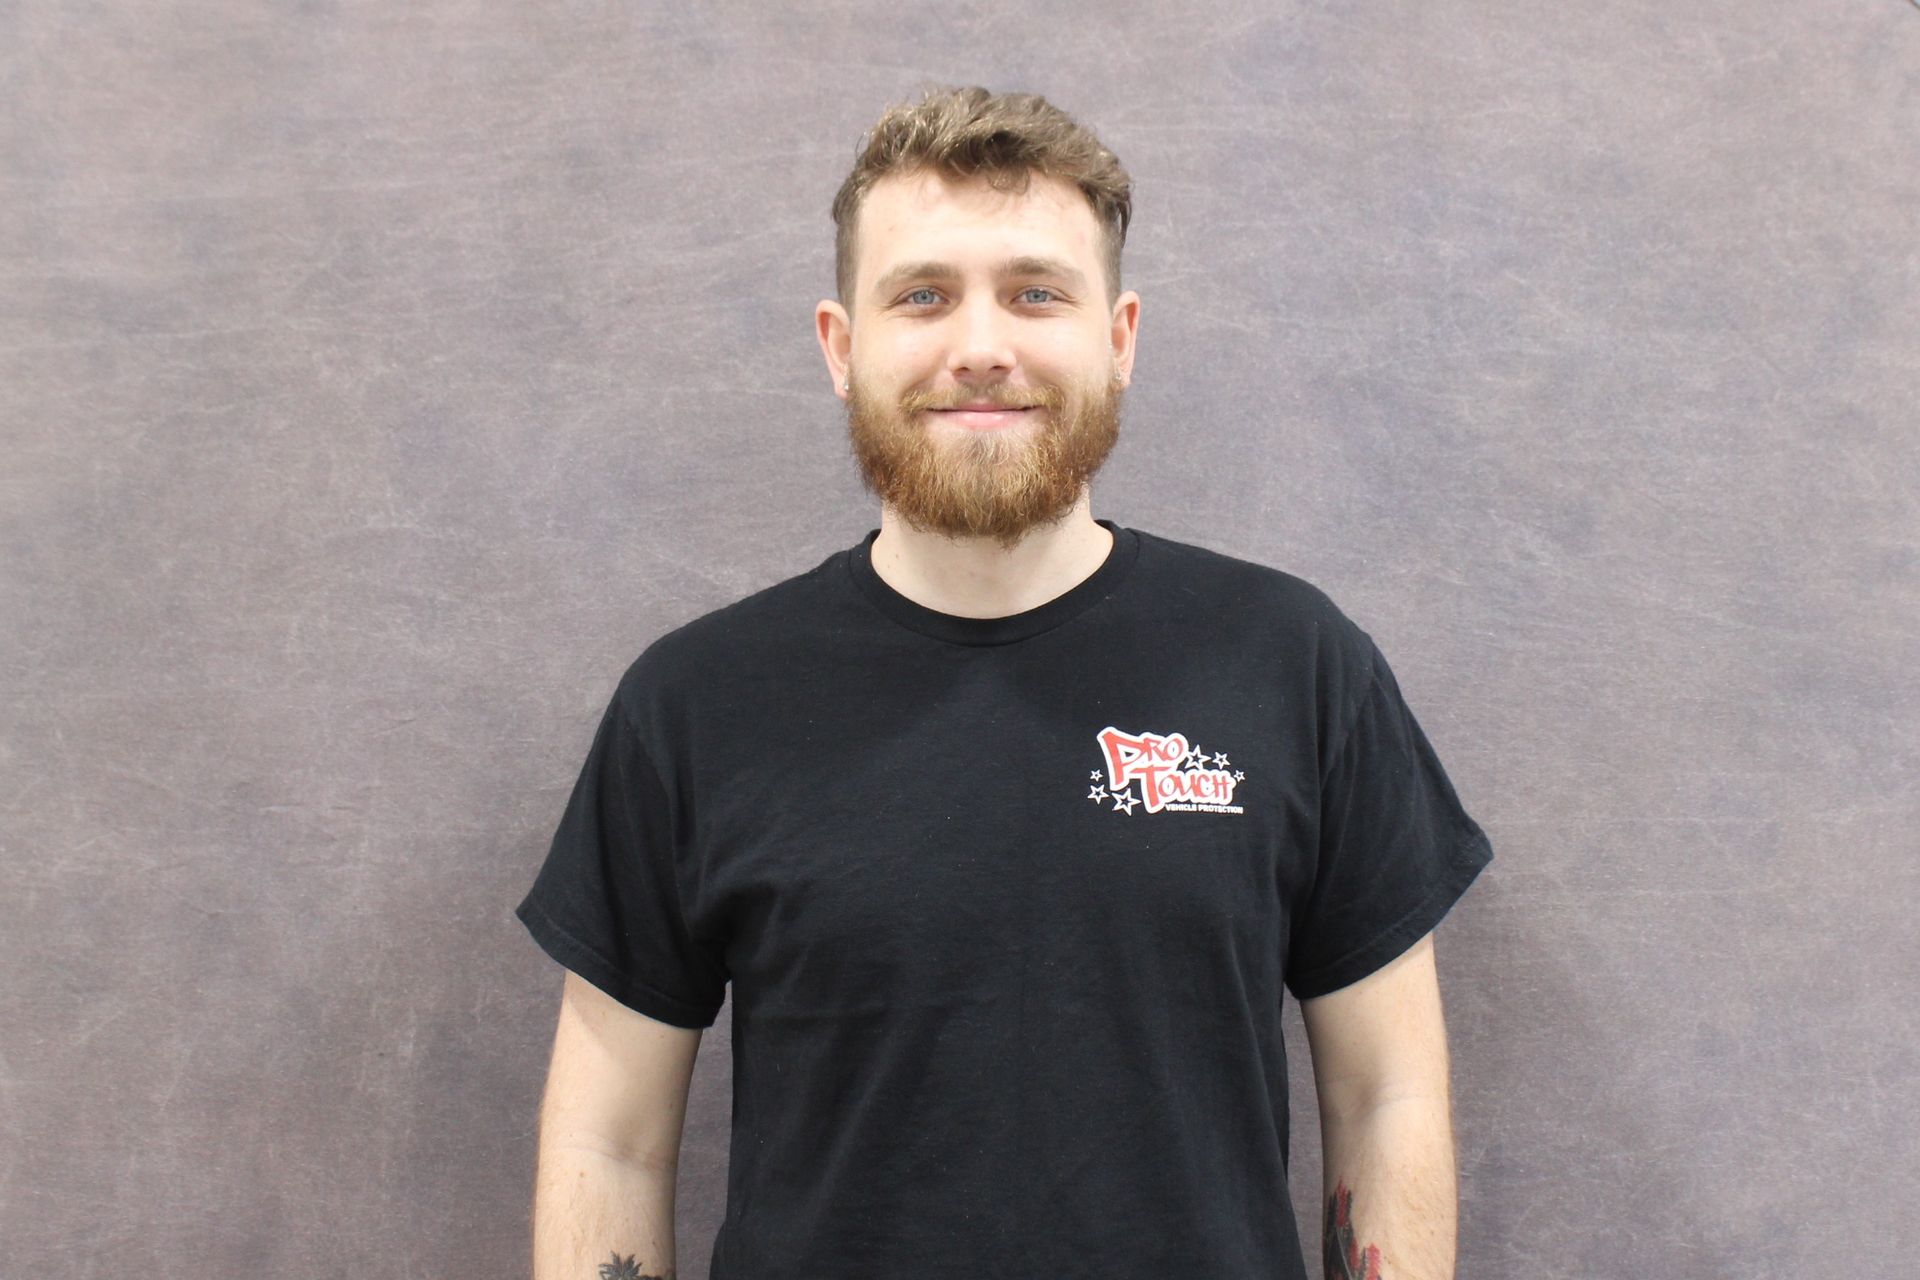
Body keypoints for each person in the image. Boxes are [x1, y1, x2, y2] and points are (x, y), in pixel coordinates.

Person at [516, 83, 1494, 1280]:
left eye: (1036, 292)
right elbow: (609, 1144)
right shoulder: (694, 706)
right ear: (841, 346)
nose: (981, 346)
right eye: (922, 295)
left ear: (1120, 337)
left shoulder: (1292, 664)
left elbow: (1384, 1090)